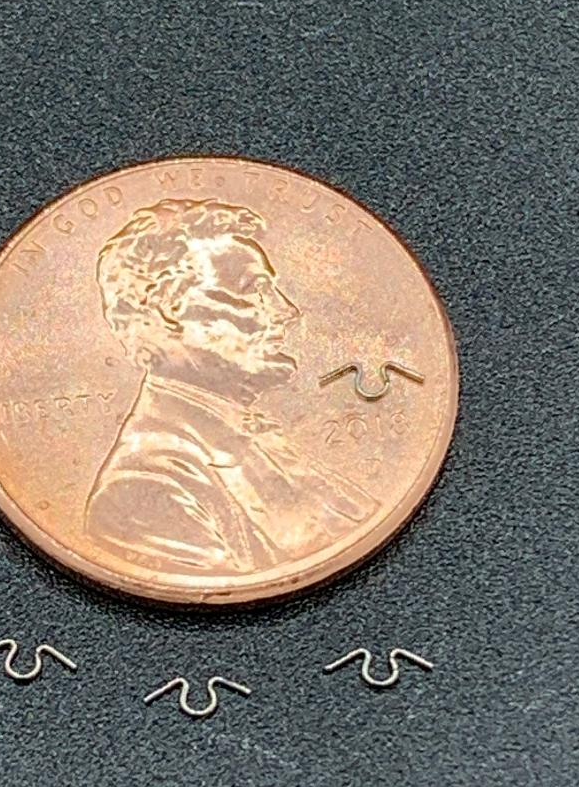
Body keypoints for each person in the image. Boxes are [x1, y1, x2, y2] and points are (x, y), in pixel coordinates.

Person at [85, 198, 377, 574]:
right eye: (253, 290)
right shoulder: (143, 491)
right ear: (168, 309)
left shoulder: (256, 442)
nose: (286, 311)